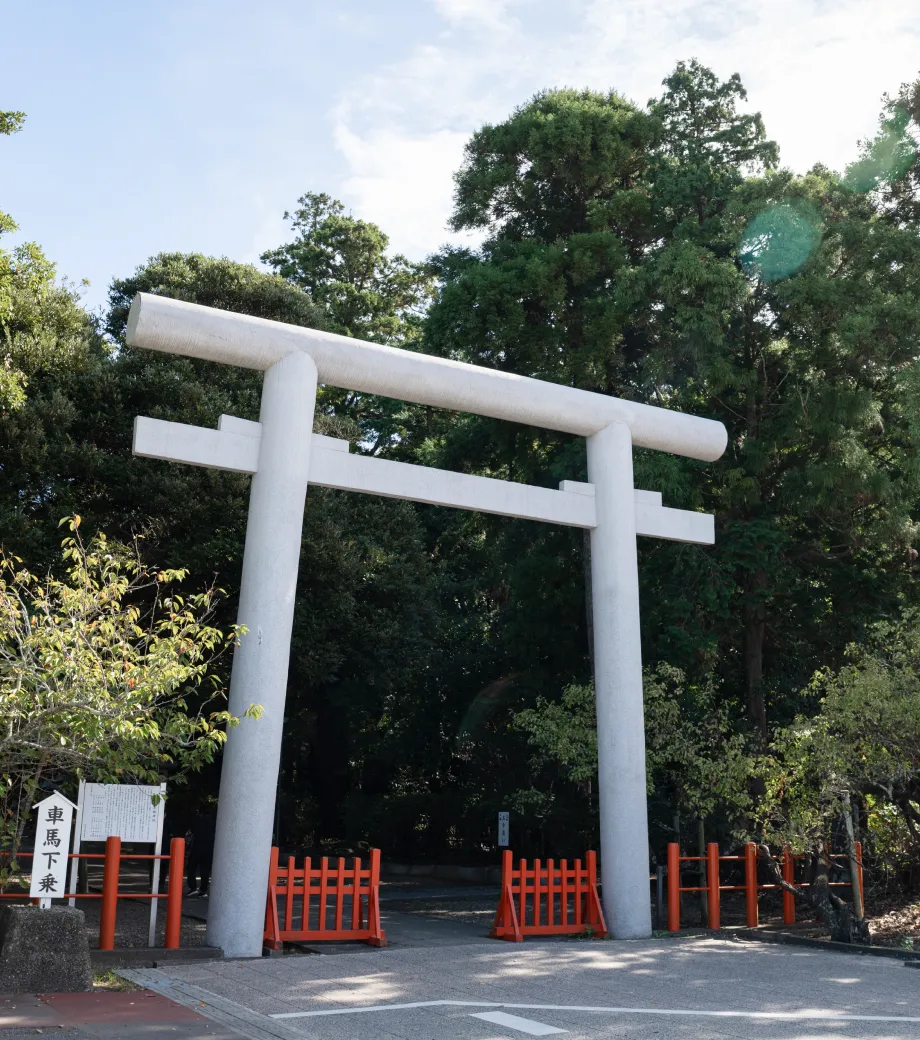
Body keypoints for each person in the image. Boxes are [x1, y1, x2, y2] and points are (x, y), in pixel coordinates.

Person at [186, 810, 216, 898]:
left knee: (191, 868)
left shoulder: (196, 820)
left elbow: (192, 831)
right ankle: (203, 890)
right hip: (209, 848)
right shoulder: (214, 822)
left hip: (197, 847)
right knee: (205, 870)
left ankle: (193, 887)